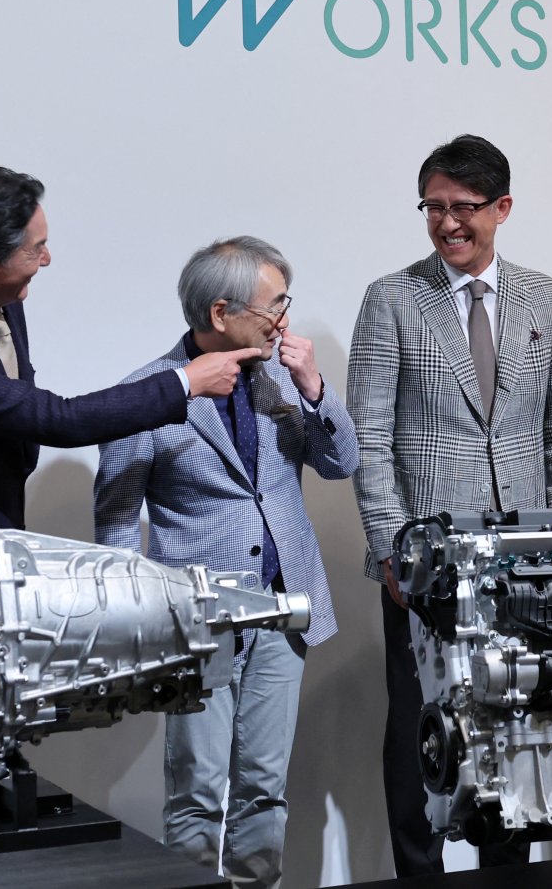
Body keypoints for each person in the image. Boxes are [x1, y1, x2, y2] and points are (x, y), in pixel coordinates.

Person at [347, 134, 552, 876]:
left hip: (525, 563)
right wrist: (391, 547)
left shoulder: (543, 296)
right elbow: (370, 435)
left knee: (517, 722)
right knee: (423, 728)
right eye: (434, 207)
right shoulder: (392, 298)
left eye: (464, 208)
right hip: (425, 566)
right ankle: (419, 873)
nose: (448, 222)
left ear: (502, 209)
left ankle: (508, 871)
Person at [94, 236, 357, 885]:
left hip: (283, 612)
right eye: (274, 305)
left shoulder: (280, 383)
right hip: (198, 624)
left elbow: (341, 461)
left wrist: (316, 387)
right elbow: (119, 520)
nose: (283, 320)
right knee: (197, 795)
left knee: (265, 789)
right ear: (220, 313)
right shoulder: (146, 395)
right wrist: (140, 625)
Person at [0, 162, 256, 528]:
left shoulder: (0, 297)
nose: (47, 259)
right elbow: (59, 419)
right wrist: (185, 382)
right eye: (35, 249)